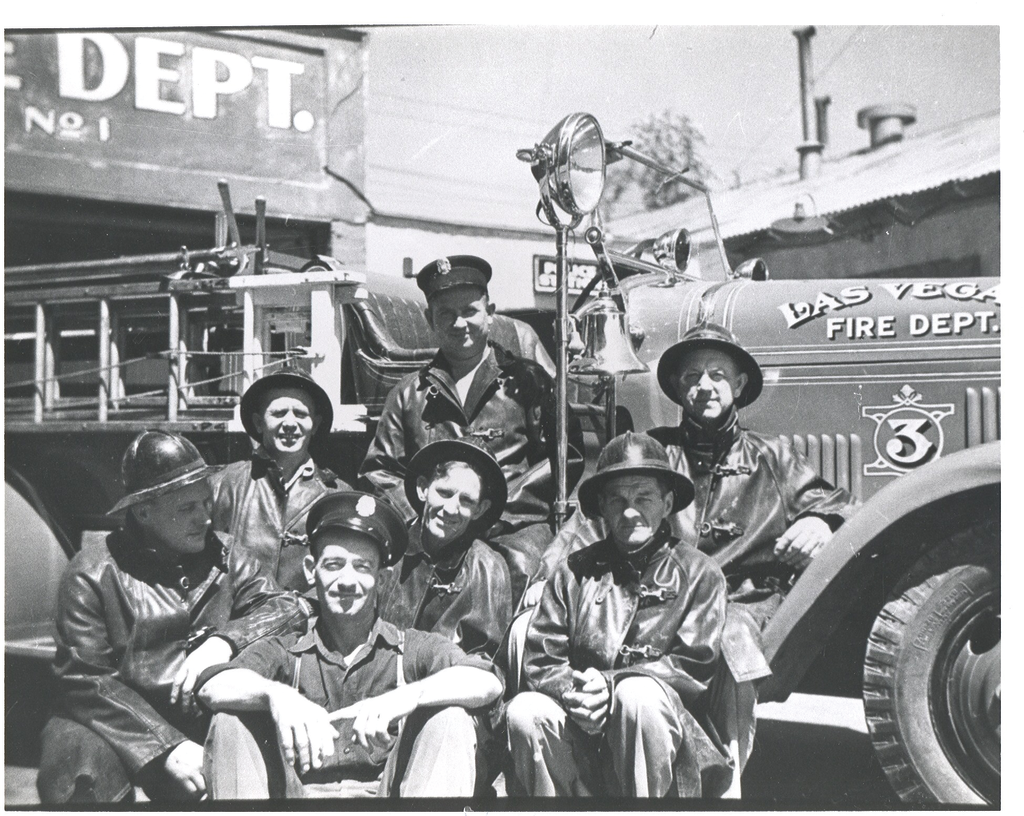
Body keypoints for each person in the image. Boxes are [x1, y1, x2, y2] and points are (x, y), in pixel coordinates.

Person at [36, 431, 307, 804]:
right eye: (187, 509)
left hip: (205, 716)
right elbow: (85, 681)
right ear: (144, 512)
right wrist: (166, 747)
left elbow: (285, 608)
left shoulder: (227, 554)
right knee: (80, 768)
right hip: (116, 723)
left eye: (205, 503)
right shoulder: (92, 573)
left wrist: (223, 641)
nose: (205, 518)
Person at [197, 491, 504, 799]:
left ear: (381, 580)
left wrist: (408, 697)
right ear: (310, 570)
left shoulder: (411, 648)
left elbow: (486, 682)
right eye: (333, 564)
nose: (346, 580)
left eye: (362, 566)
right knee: (230, 721)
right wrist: (277, 695)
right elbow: (212, 686)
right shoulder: (284, 651)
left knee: (449, 716)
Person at [506, 432, 732, 798]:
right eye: (618, 500)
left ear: (667, 502)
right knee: (525, 710)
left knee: (637, 694)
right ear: (603, 508)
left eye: (643, 497)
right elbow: (542, 659)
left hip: (665, 747)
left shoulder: (700, 574)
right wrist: (580, 697)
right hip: (581, 728)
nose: (630, 512)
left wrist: (612, 687)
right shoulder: (574, 571)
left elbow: (691, 667)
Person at [358, 254, 579, 602]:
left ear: (490, 312)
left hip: (514, 531)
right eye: (446, 313)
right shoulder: (406, 395)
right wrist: (420, 513)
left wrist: (494, 511)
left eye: (469, 310)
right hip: (435, 527)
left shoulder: (530, 382)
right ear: (429, 318)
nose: (459, 323)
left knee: (524, 575)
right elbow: (379, 470)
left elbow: (564, 459)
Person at [211, 368, 350, 592]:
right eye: (278, 414)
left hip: (307, 623)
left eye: (300, 414)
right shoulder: (223, 485)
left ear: (315, 423)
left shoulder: (338, 496)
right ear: (258, 422)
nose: (289, 423)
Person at [377, 438, 513, 664]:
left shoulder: (488, 569)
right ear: (423, 489)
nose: (451, 508)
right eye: (444, 492)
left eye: (467, 500)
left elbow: (486, 662)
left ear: (480, 509)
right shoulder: (386, 546)